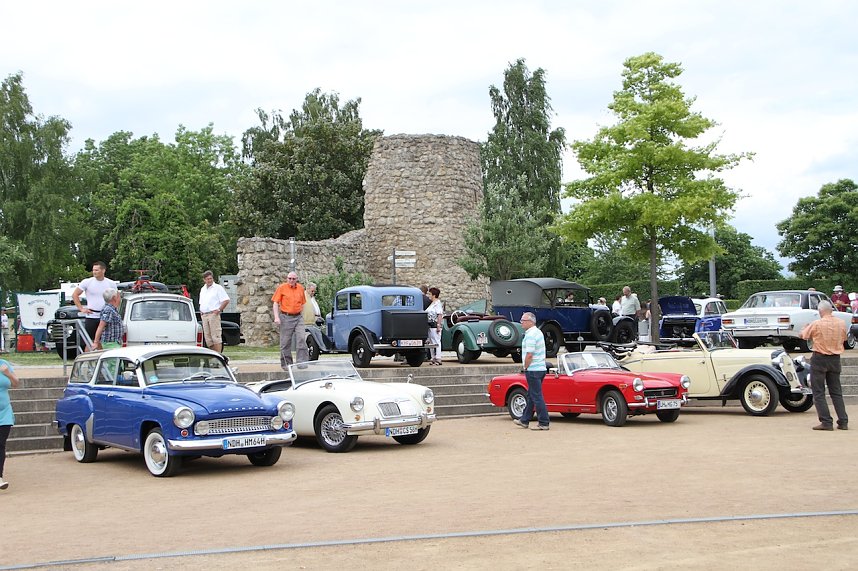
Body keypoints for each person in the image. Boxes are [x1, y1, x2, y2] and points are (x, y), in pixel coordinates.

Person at [799, 300, 848, 431]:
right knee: (836, 392)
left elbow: (804, 336)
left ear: (820, 311)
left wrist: (804, 328)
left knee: (819, 391)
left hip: (820, 358)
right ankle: (843, 421)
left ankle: (826, 421)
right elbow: (844, 338)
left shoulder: (817, 323)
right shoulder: (841, 323)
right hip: (835, 358)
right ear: (831, 310)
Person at [513, 311, 549, 430]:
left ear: (530, 322)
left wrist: (525, 367)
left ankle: (544, 422)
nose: (521, 322)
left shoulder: (530, 335)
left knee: (537, 396)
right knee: (531, 395)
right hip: (540, 368)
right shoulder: (538, 332)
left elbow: (529, 354)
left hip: (533, 369)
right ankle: (525, 420)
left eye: (523, 320)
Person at [73, 261, 117, 348]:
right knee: (89, 341)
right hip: (92, 316)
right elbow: (75, 295)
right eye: (93, 270)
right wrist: (81, 308)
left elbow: (117, 298)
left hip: (105, 315)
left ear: (103, 270)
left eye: (97, 270)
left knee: (103, 340)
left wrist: (114, 310)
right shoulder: (87, 282)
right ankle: (87, 360)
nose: (94, 272)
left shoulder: (111, 283)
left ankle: (101, 359)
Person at [272, 271, 308, 369]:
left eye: (293, 279)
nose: (291, 280)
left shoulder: (300, 288)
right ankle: (286, 364)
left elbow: (303, 303)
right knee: (285, 342)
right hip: (286, 317)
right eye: (289, 278)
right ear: (287, 279)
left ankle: (302, 362)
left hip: (298, 317)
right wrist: (276, 317)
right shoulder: (282, 288)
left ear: (296, 279)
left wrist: (302, 315)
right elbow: (275, 303)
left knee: (301, 338)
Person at [0, 357, 21, 490]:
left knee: (0, 444)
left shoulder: (4, 364)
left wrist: (8, 373)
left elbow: (16, 383)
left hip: (4, 413)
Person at [199, 270, 231, 354]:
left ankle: (218, 356)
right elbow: (201, 302)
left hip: (213, 314)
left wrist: (219, 310)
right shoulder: (203, 289)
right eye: (207, 279)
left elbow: (226, 300)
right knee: (208, 338)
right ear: (204, 280)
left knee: (215, 336)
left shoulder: (217, 288)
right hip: (204, 315)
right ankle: (213, 356)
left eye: (210, 278)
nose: (209, 280)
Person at [426, 287, 444, 365]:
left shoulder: (437, 303)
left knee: (436, 341)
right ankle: (433, 357)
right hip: (429, 325)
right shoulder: (432, 303)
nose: (429, 295)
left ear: (434, 295)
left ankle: (438, 358)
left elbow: (439, 314)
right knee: (431, 342)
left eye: (430, 294)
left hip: (434, 324)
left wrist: (438, 325)